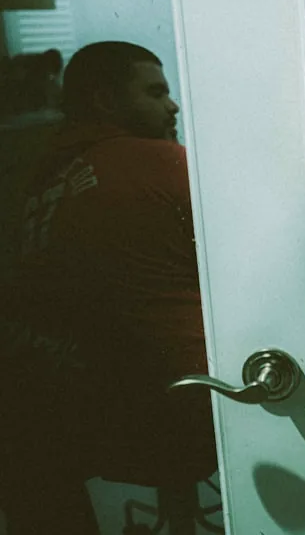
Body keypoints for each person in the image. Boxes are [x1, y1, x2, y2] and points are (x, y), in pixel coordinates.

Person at [0, 41, 214, 534]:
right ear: (106, 102)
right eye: (156, 92)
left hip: (92, 402)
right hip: (184, 399)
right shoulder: (158, 161)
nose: (173, 104)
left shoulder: (41, 180)